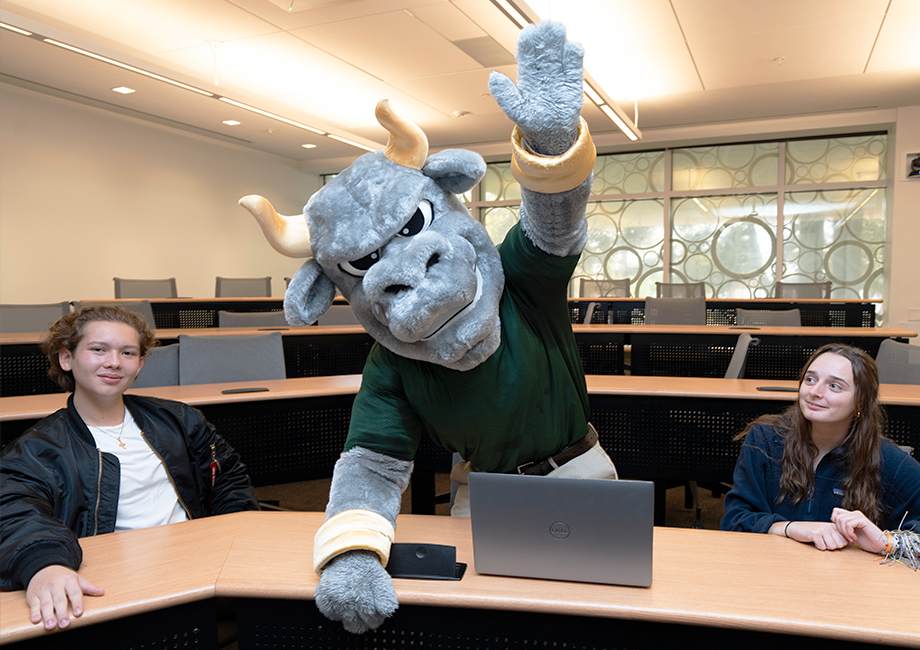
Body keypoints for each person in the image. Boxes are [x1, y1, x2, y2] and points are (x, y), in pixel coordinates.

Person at [1, 305, 260, 631]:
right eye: (98, 350)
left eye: (127, 353)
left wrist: (233, 540)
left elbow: (228, 478)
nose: (113, 362)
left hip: (200, 565)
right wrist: (44, 564)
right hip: (116, 582)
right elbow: (14, 510)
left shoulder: (180, 420)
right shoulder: (37, 449)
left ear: (139, 365)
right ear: (66, 358)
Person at [721, 343, 920, 556]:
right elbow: (735, 519)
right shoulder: (766, 438)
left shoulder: (888, 460)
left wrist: (885, 541)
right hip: (770, 570)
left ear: (861, 402)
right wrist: (791, 528)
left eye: (834, 386)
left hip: (849, 581)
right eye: (810, 380)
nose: (814, 392)